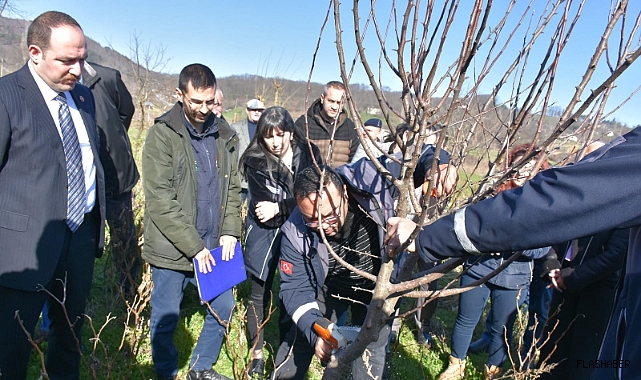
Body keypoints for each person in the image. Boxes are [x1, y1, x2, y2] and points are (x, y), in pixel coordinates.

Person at [384, 127, 641, 380]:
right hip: (492, 272)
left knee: (565, 346)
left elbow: (546, 218)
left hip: (556, 283)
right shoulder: (495, 192)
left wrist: (430, 236)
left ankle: (498, 368)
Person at [0, 11, 106, 379]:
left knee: (68, 341)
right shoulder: (6, 95)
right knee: (10, 349)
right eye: (66, 60)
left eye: (83, 58)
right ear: (34, 52)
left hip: (78, 241)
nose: (78, 69)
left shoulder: (84, 98)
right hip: (21, 250)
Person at [142, 63, 241, 380]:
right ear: (179, 94)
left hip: (213, 246)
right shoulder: (162, 136)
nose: (203, 109)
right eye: (196, 101)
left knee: (223, 305)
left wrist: (229, 229)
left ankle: (200, 366)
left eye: (209, 101)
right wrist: (194, 247)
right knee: (166, 316)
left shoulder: (224, 135)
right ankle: (166, 371)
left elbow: (232, 188)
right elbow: (160, 200)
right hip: (173, 249)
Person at [438, 144, 551, 380]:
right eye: (519, 166)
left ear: (539, 171)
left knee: (503, 328)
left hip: (514, 277)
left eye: (531, 168)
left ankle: (493, 370)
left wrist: (514, 244)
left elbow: (543, 247)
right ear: (510, 167)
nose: (523, 172)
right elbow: (472, 226)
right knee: (465, 318)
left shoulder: (543, 206)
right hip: (480, 267)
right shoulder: (493, 195)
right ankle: (456, 364)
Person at [239, 106, 322, 378]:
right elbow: (263, 205)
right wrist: (290, 205)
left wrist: (280, 207)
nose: (275, 142)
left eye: (280, 134)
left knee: (293, 291)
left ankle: (287, 352)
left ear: (290, 131)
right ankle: (257, 353)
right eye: (267, 136)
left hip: (298, 231)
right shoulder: (254, 160)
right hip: (263, 233)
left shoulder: (309, 153)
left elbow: (315, 191)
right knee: (258, 293)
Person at [82, 61, 140, 297]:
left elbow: (126, 111)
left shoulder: (105, 77)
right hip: (80, 178)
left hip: (115, 172)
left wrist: (113, 135)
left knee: (123, 235)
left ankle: (128, 292)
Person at [294, 81, 358, 168]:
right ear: (322, 98)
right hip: (311, 180)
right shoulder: (304, 123)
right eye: (331, 101)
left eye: (339, 103)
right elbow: (295, 157)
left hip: (340, 180)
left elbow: (354, 161)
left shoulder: (349, 127)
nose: (334, 107)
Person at [231, 98, 265, 203]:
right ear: (247, 110)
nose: (256, 112)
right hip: (239, 179)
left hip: (258, 180)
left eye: (259, 110)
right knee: (235, 208)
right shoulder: (235, 128)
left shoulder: (266, 129)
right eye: (253, 109)